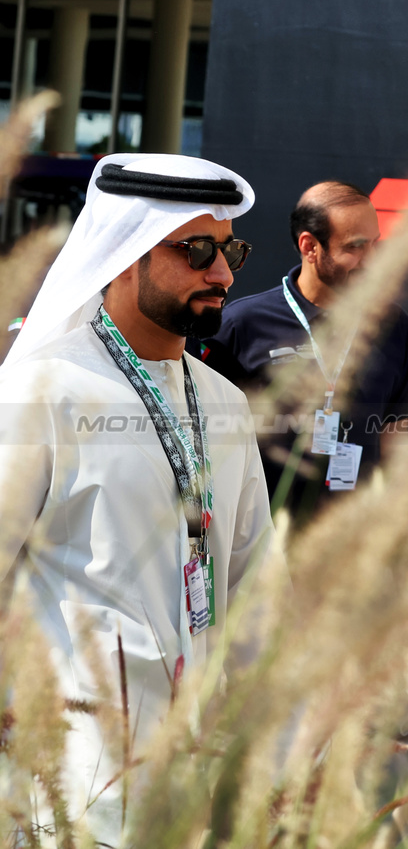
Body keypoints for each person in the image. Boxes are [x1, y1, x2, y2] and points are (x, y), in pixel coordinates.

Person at [0, 153, 273, 841]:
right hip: (75, 762)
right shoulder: (42, 388)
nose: (224, 274)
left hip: (195, 758)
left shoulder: (226, 403)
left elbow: (257, 587)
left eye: (230, 248)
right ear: (126, 253)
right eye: (197, 250)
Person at [192, 181, 408, 521]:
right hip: (261, 541)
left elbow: (395, 430)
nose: (371, 260)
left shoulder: (392, 324)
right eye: (355, 247)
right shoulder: (241, 325)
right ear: (310, 247)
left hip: (349, 544)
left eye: (375, 244)